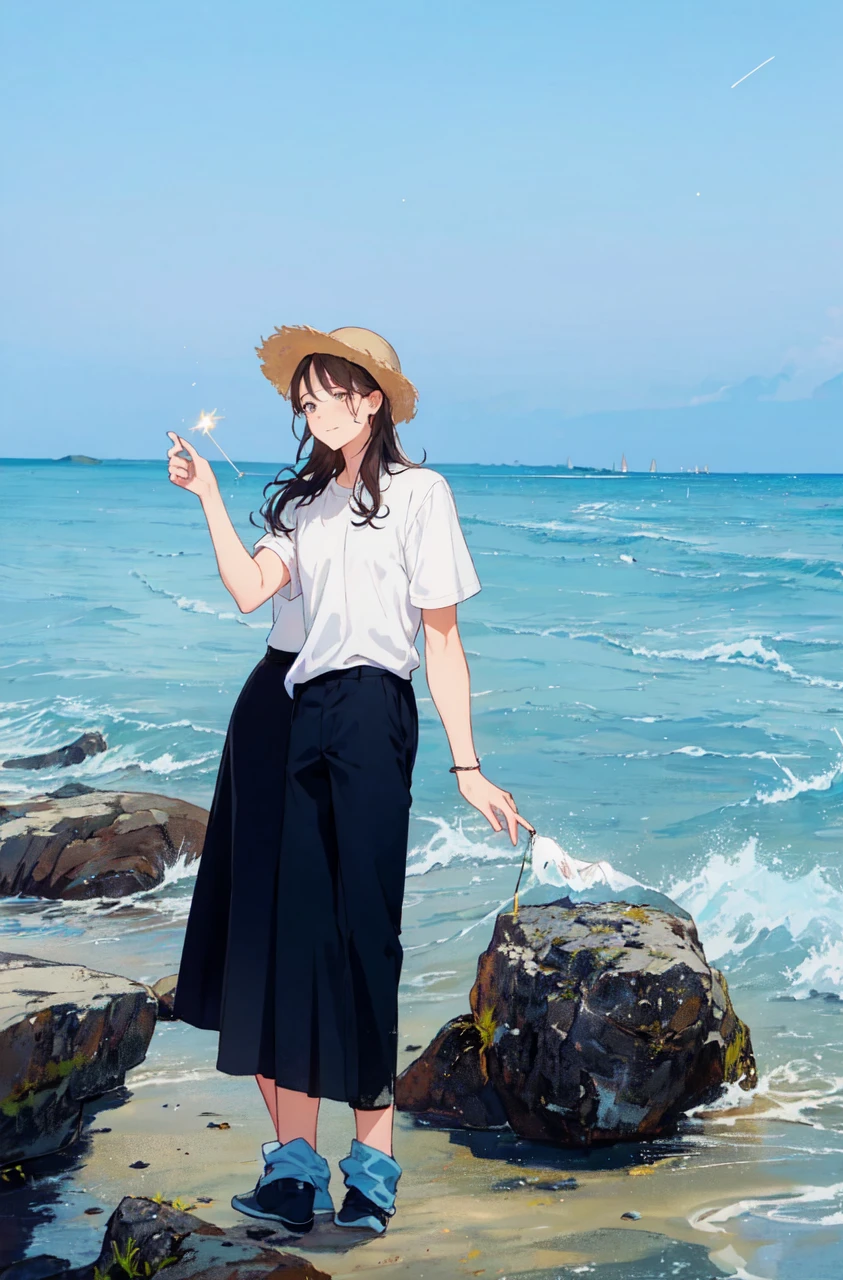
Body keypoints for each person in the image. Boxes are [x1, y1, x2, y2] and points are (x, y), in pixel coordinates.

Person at [166, 325, 533, 1237]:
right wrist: (208, 496)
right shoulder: (303, 505)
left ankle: (372, 1165)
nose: (311, 407)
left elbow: (440, 637)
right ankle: (292, 1167)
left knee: (364, 936)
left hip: (373, 715)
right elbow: (253, 592)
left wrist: (469, 764)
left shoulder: (420, 495)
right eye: (302, 396)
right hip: (288, 717)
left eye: (326, 391)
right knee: (288, 939)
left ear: (372, 398)